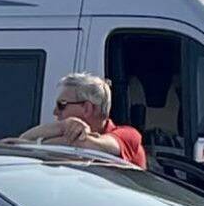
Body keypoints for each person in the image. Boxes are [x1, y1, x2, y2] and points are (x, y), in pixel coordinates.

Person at [16, 71, 145, 167]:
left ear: (87, 108)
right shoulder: (60, 141)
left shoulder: (128, 135)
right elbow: (15, 145)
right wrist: (62, 127)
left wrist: (35, 144)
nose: (55, 112)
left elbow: (84, 144)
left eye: (62, 105)